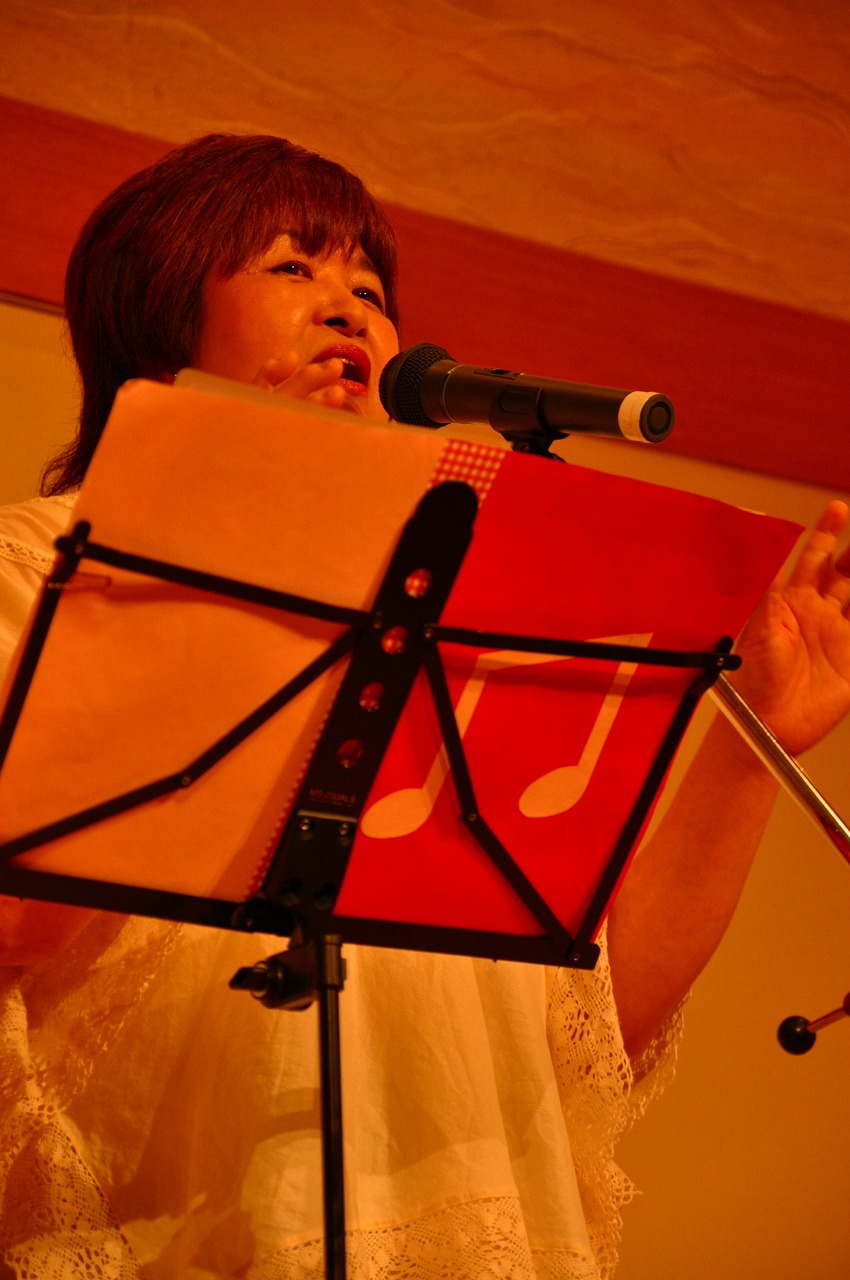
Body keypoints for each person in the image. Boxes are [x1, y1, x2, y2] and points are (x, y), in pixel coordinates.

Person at [0, 134, 848, 1280]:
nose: (347, 309)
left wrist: (751, 742)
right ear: (153, 307)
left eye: (370, 287)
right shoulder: (40, 565)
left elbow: (586, 1036)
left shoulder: (460, 620)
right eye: (292, 268)